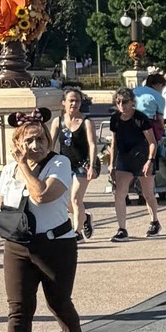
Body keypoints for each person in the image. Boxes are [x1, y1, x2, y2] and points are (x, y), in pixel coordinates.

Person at [0, 108, 86, 332]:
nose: (36, 146)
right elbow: (0, 207)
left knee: (58, 302)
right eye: (30, 141)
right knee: (19, 309)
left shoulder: (58, 163)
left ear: (49, 141)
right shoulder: (7, 170)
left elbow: (42, 195)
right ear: (17, 144)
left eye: (41, 140)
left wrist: (24, 167)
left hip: (55, 246)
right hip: (18, 246)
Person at [106, 88, 161, 240]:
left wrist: (150, 161)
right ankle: (122, 229)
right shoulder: (115, 119)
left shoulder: (141, 118)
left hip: (142, 157)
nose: (121, 105)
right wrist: (111, 164)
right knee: (120, 194)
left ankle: (154, 220)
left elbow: (152, 142)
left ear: (132, 102)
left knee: (147, 194)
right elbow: (114, 142)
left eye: (124, 102)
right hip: (124, 158)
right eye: (117, 102)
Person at [56, 87, 100, 240]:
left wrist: (92, 165)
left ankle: (77, 232)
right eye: (71, 100)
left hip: (84, 163)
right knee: (66, 200)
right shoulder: (58, 121)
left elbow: (93, 144)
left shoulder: (86, 122)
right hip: (65, 164)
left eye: (77, 101)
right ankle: (85, 217)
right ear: (63, 103)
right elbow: (49, 144)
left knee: (76, 198)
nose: (74, 104)